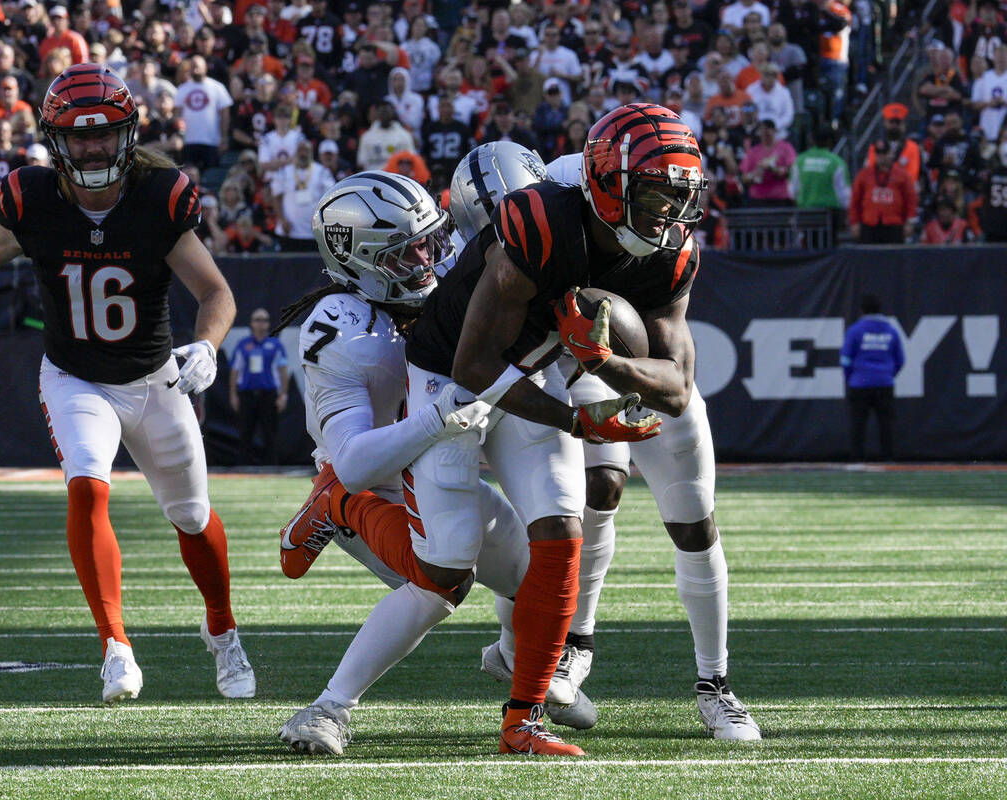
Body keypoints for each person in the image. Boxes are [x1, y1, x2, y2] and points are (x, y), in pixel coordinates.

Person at [0, 64, 255, 705]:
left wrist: (208, 346)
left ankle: (222, 628)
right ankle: (116, 646)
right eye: (79, 136)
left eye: (104, 135)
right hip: (76, 378)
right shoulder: (32, 200)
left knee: (192, 516)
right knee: (87, 487)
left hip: (155, 380)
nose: (93, 148)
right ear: (55, 140)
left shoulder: (160, 196)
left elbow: (216, 290)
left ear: (127, 135)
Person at [404, 102, 746, 757]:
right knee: (591, 494)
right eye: (655, 197)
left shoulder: (665, 243)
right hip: (563, 351)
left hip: (618, 353)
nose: (668, 215)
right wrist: (576, 401)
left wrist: (607, 360)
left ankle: (715, 683)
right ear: (610, 185)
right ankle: (573, 647)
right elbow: (471, 354)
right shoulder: (540, 221)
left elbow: (674, 386)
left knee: (693, 517)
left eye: (679, 197)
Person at [273, 170, 572, 756]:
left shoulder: (441, 287)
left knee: (536, 571)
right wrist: (440, 416)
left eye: (429, 241)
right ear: (357, 259)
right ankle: (327, 708)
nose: (427, 259)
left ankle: (516, 664)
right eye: (405, 251)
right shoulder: (341, 328)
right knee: (445, 579)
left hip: (431, 461)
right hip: (367, 484)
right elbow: (356, 461)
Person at [841, 295, 904, 461]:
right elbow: (900, 360)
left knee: (858, 424)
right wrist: (887, 374)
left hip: (859, 384)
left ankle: (857, 459)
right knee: (886, 424)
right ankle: (888, 458)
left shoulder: (855, 330)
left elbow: (845, 359)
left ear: (862, 310)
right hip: (884, 383)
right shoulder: (891, 330)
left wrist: (851, 377)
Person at [228, 308, 290, 465]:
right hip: (247, 394)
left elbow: (283, 370)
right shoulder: (243, 345)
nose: (260, 323)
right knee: (245, 432)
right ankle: (243, 468)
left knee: (270, 433)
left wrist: (283, 394)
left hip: (268, 394)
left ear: (268, 324)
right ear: (251, 323)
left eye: (264, 320)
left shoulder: (275, 345)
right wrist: (233, 395)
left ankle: (272, 468)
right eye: (257, 319)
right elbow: (235, 370)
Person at [850, 139, 917, 243]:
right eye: (879, 153)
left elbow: (911, 200)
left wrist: (910, 222)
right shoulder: (864, 175)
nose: (882, 156)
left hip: (894, 224)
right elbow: (855, 200)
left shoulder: (902, 175)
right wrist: (854, 222)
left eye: (885, 153)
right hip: (869, 224)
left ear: (891, 154)